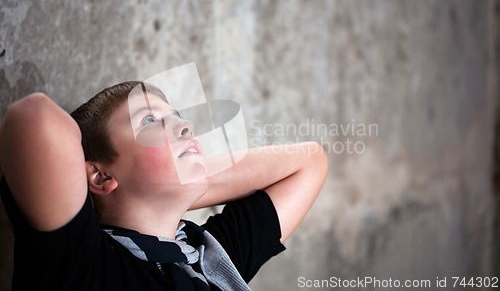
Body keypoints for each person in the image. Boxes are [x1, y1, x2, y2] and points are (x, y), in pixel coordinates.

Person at [0, 80, 328, 291]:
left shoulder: (208, 259)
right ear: (100, 177)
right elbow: (35, 118)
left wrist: (178, 185)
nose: (185, 125)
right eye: (150, 120)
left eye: (176, 116)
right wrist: (172, 183)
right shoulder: (88, 266)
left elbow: (310, 161)